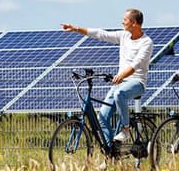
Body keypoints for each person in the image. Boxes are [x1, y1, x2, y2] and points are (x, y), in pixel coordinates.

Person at [61, 9, 153, 145]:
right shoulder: (123, 36)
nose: (122, 22)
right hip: (120, 82)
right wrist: (76, 28)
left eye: (125, 20)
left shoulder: (146, 42)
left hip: (136, 82)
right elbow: (101, 34)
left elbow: (136, 64)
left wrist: (121, 75)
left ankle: (126, 129)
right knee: (102, 117)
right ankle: (111, 154)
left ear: (134, 23)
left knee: (119, 93)